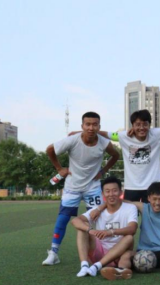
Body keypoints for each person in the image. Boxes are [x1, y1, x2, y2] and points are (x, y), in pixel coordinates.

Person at [42, 112, 121, 266]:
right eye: (88, 124)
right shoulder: (73, 140)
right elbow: (50, 149)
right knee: (63, 219)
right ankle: (54, 253)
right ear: (82, 126)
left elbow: (115, 155)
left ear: (99, 126)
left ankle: (102, 252)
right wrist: (59, 169)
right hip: (73, 186)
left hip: (93, 187)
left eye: (95, 124)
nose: (91, 128)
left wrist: (103, 171)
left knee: (99, 219)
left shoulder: (104, 143)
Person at [89, 182, 160, 275]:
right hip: (144, 254)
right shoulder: (144, 208)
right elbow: (119, 201)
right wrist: (99, 208)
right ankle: (121, 270)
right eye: (154, 199)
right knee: (127, 254)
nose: (157, 203)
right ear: (149, 198)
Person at [71, 177, 137, 280]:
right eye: (107, 191)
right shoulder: (96, 211)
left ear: (121, 192)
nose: (111, 194)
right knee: (82, 228)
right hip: (100, 252)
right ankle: (84, 266)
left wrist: (110, 232)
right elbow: (75, 220)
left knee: (129, 238)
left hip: (119, 253)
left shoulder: (130, 208)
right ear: (103, 194)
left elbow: (132, 229)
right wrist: (90, 230)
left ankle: (97, 267)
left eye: (114, 190)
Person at [114, 110, 160, 203]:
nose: (141, 127)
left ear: (149, 125)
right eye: (138, 124)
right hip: (131, 186)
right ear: (132, 125)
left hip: (153, 185)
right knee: (129, 211)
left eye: (145, 124)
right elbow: (104, 134)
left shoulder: (156, 134)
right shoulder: (124, 136)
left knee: (153, 211)